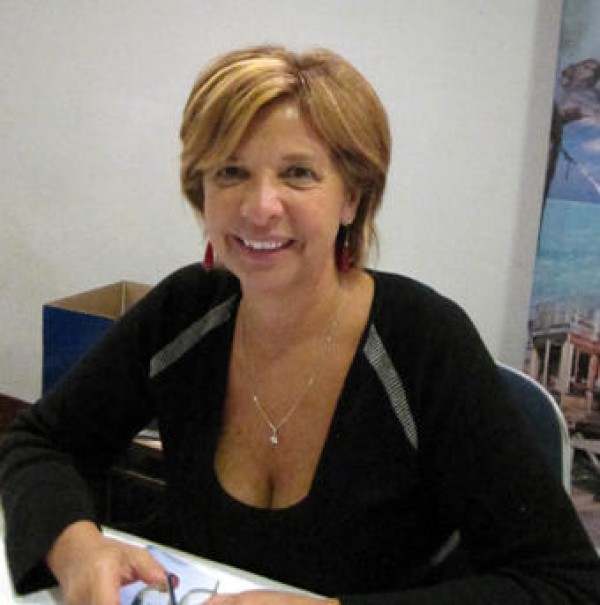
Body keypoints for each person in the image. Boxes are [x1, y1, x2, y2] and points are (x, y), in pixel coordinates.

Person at [1, 45, 599, 605]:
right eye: (230, 172)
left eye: (298, 174)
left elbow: (566, 582)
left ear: (352, 198)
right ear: (201, 193)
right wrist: (74, 546)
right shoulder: (184, 312)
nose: (259, 207)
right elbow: (39, 441)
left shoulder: (425, 343)